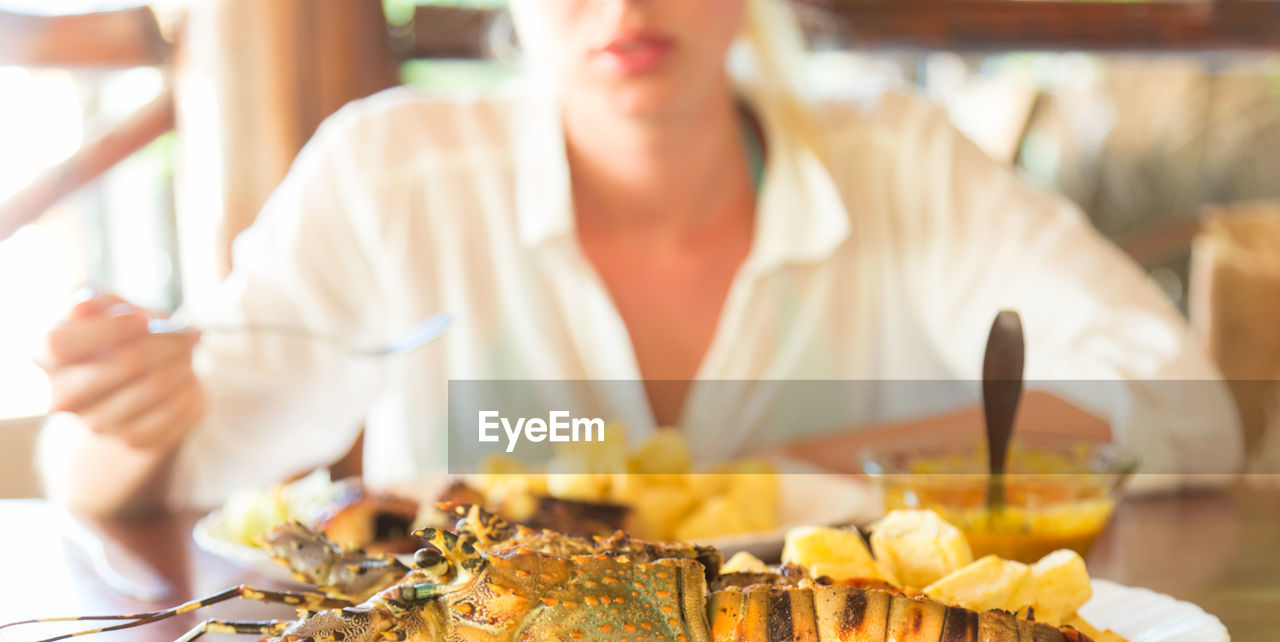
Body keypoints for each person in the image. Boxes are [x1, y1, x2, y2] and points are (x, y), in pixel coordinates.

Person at [36, 0, 1241, 517]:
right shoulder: (387, 176)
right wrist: (118, 411)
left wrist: (774, 471)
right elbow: (149, 471)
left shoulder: (897, 159)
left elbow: (1183, 415)